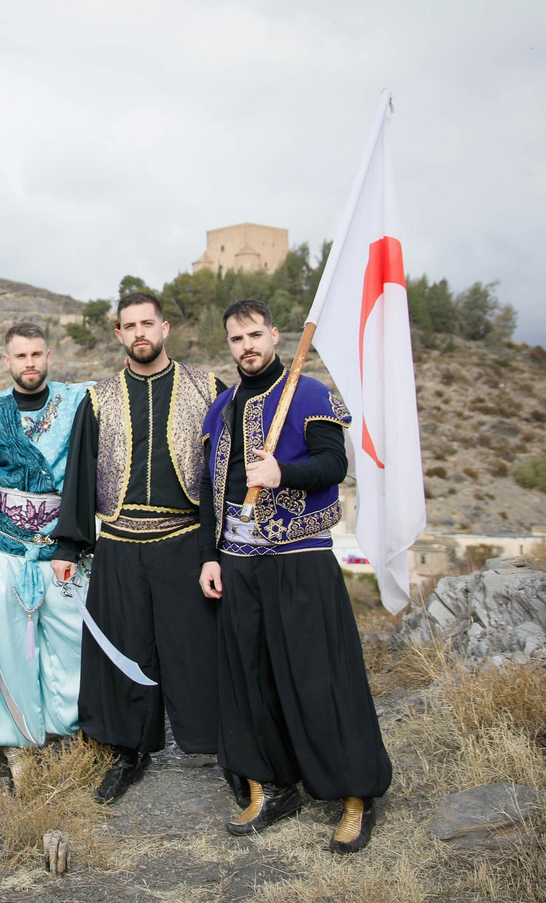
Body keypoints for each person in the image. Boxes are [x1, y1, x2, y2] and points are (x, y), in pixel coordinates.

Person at [197, 298, 391, 853]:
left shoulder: (309, 394)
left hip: (298, 557)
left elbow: (335, 464)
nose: (247, 347)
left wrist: (283, 470)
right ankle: (273, 786)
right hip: (237, 561)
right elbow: (211, 493)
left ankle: (355, 794)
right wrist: (211, 554)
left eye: (255, 335)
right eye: (236, 339)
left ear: (275, 335)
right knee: (251, 681)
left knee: (319, 678)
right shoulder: (222, 408)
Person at [54, 292, 225, 803]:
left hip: (185, 540)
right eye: (129, 326)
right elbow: (80, 475)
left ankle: (220, 747)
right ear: (118, 335)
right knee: (124, 652)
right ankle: (128, 751)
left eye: (147, 323)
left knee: (195, 650)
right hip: (121, 545)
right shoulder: (98, 398)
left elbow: (221, 475)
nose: (139, 333)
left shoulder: (208, 388)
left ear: (165, 328)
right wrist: (68, 545)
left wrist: (219, 547)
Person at [0, 323, 92, 788]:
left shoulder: (77, 404)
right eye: (20, 357)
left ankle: (69, 738)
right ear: (6, 362)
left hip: (63, 553)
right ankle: (20, 750)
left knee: (73, 648)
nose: (29, 363)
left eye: (36, 355)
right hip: (6, 554)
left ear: (48, 355)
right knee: (7, 653)